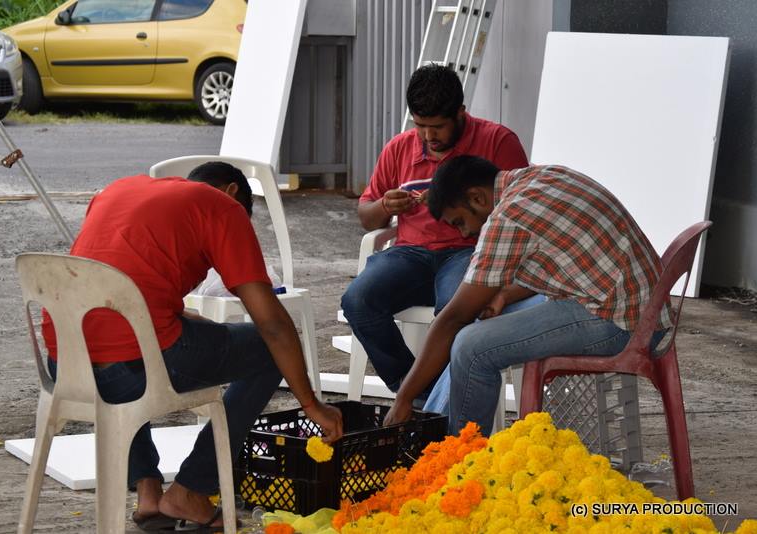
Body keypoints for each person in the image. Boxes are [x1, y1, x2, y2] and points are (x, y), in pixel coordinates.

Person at [41, 161, 343, 531]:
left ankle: (149, 493)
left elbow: (122, 284)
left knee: (135, 340)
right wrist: (311, 403)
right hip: (132, 367)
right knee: (267, 350)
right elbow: (274, 325)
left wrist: (183, 318)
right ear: (233, 192)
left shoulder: (122, 189)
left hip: (65, 365)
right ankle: (192, 488)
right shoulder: (223, 208)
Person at [383, 157, 671, 435]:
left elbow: (454, 317)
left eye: (460, 222)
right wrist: (505, 295)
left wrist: (404, 398)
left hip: (620, 322)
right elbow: (563, 260)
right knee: (476, 330)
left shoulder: (508, 217)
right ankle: (435, 433)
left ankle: (458, 463)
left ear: (477, 198)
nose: (467, 232)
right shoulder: (543, 176)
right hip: (638, 307)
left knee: (470, 346)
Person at [340, 64, 530, 402]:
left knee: (455, 310)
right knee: (358, 300)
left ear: (460, 113)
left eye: (438, 127)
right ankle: (419, 393)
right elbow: (367, 220)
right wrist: (385, 205)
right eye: (420, 126)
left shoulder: (497, 141)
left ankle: (441, 398)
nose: (429, 137)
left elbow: (521, 213)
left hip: (470, 251)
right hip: (409, 254)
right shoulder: (399, 148)